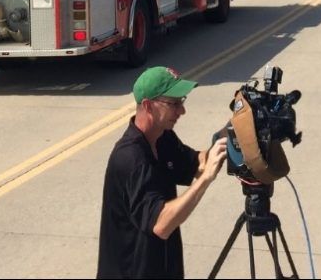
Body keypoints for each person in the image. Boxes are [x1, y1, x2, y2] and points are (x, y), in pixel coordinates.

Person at [97, 66, 228, 279]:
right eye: (173, 104)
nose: (181, 111)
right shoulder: (131, 158)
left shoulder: (163, 137)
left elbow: (198, 163)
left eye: (181, 102)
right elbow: (160, 225)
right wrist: (205, 180)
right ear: (148, 106)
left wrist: (230, 136)